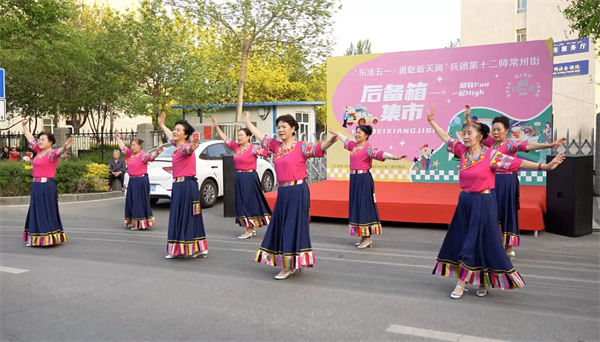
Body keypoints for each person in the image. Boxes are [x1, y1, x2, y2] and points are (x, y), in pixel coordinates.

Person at [427, 105, 565, 299]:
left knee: (475, 240)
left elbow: (517, 163)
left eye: (469, 133)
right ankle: (483, 280)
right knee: (467, 239)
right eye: (464, 133)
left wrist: (545, 166)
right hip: (465, 202)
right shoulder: (462, 152)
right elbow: (445, 137)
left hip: (484, 202)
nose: (465, 136)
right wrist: (431, 121)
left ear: (480, 136)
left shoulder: (491, 155)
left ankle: (462, 282)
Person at [245, 111, 338, 280]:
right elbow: (261, 136)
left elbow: (318, 148)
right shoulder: (276, 146)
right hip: (283, 192)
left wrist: (330, 141)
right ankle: (293, 261)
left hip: (298, 191)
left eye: (284, 127)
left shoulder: (301, 146)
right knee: (282, 226)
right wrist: (248, 122)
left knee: (292, 226)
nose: (280, 130)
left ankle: (289, 266)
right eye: (278, 127)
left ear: (293, 128)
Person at [465, 106, 565, 258]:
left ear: (506, 131)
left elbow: (529, 146)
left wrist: (549, 145)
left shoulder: (511, 144)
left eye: (499, 129)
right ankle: (492, 244)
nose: (496, 132)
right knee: (491, 212)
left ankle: (507, 246)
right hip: (490, 180)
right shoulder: (490, 142)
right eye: (494, 129)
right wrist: (467, 118)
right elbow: (474, 133)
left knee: (506, 212)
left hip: (506, 182)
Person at [329, 125, 405, 248]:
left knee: (364, 206)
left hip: (364, 180)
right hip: (354, 179)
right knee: (357, 206)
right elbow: (344, 139)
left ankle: (368, 238)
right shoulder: (354, 146)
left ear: (367, 135)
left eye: (360, 133)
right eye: (356, 132)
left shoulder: (368, 149)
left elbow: (381, 153)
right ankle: (363, 236)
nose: (357, 134)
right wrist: (336, 132)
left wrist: (393, 157)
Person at [211, 115, 272, 239]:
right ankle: (250, 227)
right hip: (239, 178)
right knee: (242, 203)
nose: (238, 137)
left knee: (249, 203)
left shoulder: (253, 148)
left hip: (250, 178)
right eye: (238, 135)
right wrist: (216, 127)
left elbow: (268, 152)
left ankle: (250, 229)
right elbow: (225, 139)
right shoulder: (236, 147)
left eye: (241, 135)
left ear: (248, 137)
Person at [157, 112, 208, 259]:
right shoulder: (176, 145)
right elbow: (170, 135)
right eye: (175, 129)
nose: (174, 131)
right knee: (178, 215)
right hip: (179, 186)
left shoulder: (185, 148)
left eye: (178, 130)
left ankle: (194, 247)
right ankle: (180, 248)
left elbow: (189, 151)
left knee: (189, 216)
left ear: (185, 135)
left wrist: (192, 147)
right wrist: (161, 125)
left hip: (187, 186)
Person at [21, 116, 72, 247]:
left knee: (46, 210)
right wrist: (24, 126)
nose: (40, 141)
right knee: (36, 210)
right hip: (36, 185)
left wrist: (65, 148)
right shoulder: (39, 152)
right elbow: (30, 138)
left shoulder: (52, 154)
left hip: (47, 186)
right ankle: (35, 237)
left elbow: (59, 152)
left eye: (43, 139)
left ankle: (48, 237)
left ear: (51, 142)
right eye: (40, 139)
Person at [115, 130, 162, 231]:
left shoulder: (143, 155)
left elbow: (151, 157)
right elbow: (123, 148)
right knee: (131, 201)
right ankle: (134, 221)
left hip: (141, 181)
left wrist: (156, 153)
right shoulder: (131, 155)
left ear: (140, 146)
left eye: (134, 145)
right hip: (132, 181)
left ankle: (139, 223)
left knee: (139, 201)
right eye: (131, 145)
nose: (132, 147)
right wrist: (117, 138)